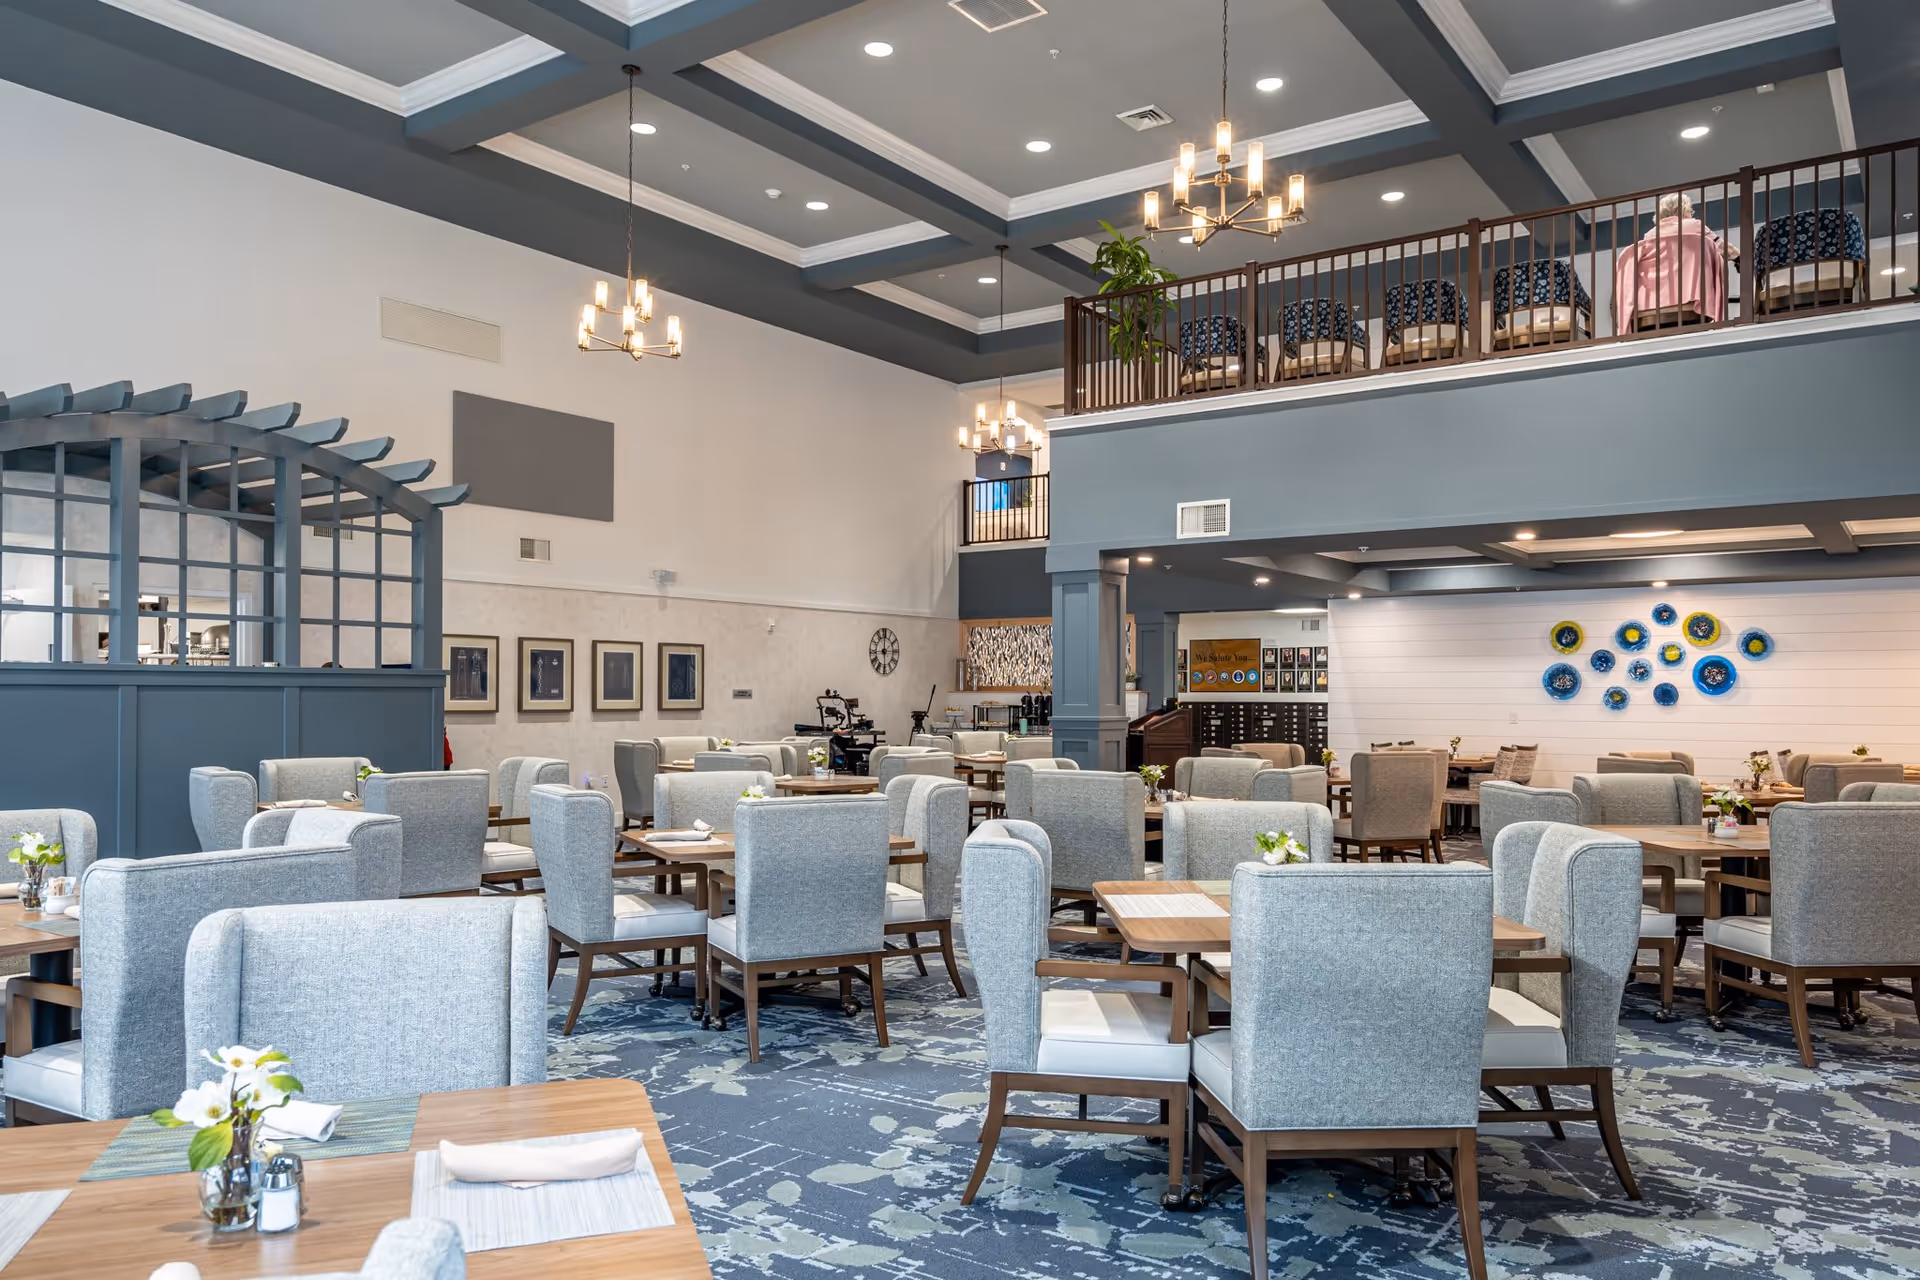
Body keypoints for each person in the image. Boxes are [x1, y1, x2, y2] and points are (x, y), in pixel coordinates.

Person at [1614, 192, 1738, 333]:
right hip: (1690, 302)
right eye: (1691, 211)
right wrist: (1740, 258)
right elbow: (1724, 249)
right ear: (1685, 210)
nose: (1691, 214)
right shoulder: (1695, 226)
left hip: (1650, 306)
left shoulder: (1650, 236)